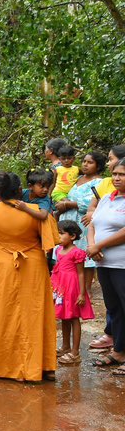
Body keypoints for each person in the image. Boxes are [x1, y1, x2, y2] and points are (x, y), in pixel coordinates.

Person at [0, 172, 58, 382]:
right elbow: (50, 241)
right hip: (33, 266)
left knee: (2, 312)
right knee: (34, 313)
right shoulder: (35, 211)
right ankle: (41, 365)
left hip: (4, 265)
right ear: (20, 190)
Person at [87, 160, 125, 374]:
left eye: (122, 174)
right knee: (114, 307)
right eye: (115, 174)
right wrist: (92, 246)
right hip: (104, 263)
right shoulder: (106, 199)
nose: (117, 178)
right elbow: (92, 224)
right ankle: (119, 351)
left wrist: (99, 246)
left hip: (122, 264)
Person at [57, 151, 105, 307]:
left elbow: (92, 202)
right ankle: (70, 286)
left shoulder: (99, 183)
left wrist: (68, 204)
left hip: (83, 221)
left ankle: (87, 289)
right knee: (69, 253)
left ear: (98, 165)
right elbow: (66, 194)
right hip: (69, 219)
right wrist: (63, 201)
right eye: (84, 161)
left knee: (84, 254)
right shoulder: (78, 179)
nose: (85, 164)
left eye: (90, 162)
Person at [52, 220, 93, 365]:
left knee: (74, 318)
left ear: (72, 236)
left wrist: (81, 293)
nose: (58, 236)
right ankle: (65, 347)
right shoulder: (58, 250)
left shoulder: (77, 252)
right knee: (64, 317)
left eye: (61, 233)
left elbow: (81, 273)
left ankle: (75, 353)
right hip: (61, 287)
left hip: (73, 287)